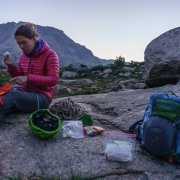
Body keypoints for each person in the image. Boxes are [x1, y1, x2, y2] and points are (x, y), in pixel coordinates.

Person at [0, 22, 59, 119]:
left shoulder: (50, 54)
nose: (22, 47)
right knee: (4, 100)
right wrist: (11, 67)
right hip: (25, 93)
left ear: (34, 39)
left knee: (12, 95)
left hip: (42, 98)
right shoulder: (23, 56)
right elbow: (19, 77)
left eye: (24, 42)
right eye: (19, 44)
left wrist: (28, 78)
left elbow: (53, 80)